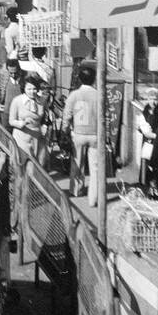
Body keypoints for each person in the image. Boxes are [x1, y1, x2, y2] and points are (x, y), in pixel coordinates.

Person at [62, 63, 101, 207]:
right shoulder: (98, 95)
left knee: (77, 163)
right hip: (96, 135)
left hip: (78, 134)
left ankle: (76, 190)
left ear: (80, 79)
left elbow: (67, 114)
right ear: (94, 79)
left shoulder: (74, 95)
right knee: (95, 168)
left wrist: (65, 130)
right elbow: (105, 117)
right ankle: (93, 198)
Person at [8, 73, 47, 163]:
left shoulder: (42, 100)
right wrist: (23, 122)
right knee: (22, 163)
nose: (32, 91)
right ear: (24, 89)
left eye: (34, 89)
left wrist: (44, 126)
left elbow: (45, 117)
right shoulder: (17, 101)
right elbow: (11, 121)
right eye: (29, 89)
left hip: (37, 137)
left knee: (38, 165)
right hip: (21, 137)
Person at [137, 88, 158, 191]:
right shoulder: (146, 110)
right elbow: (142, 127)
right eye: (150, 99)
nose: (153, 102)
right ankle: (146, 188)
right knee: (146, 163)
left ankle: (156, 190)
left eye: (155, 99)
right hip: (147, 141)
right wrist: (142, 129)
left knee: (157, 166)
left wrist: (155, 135)